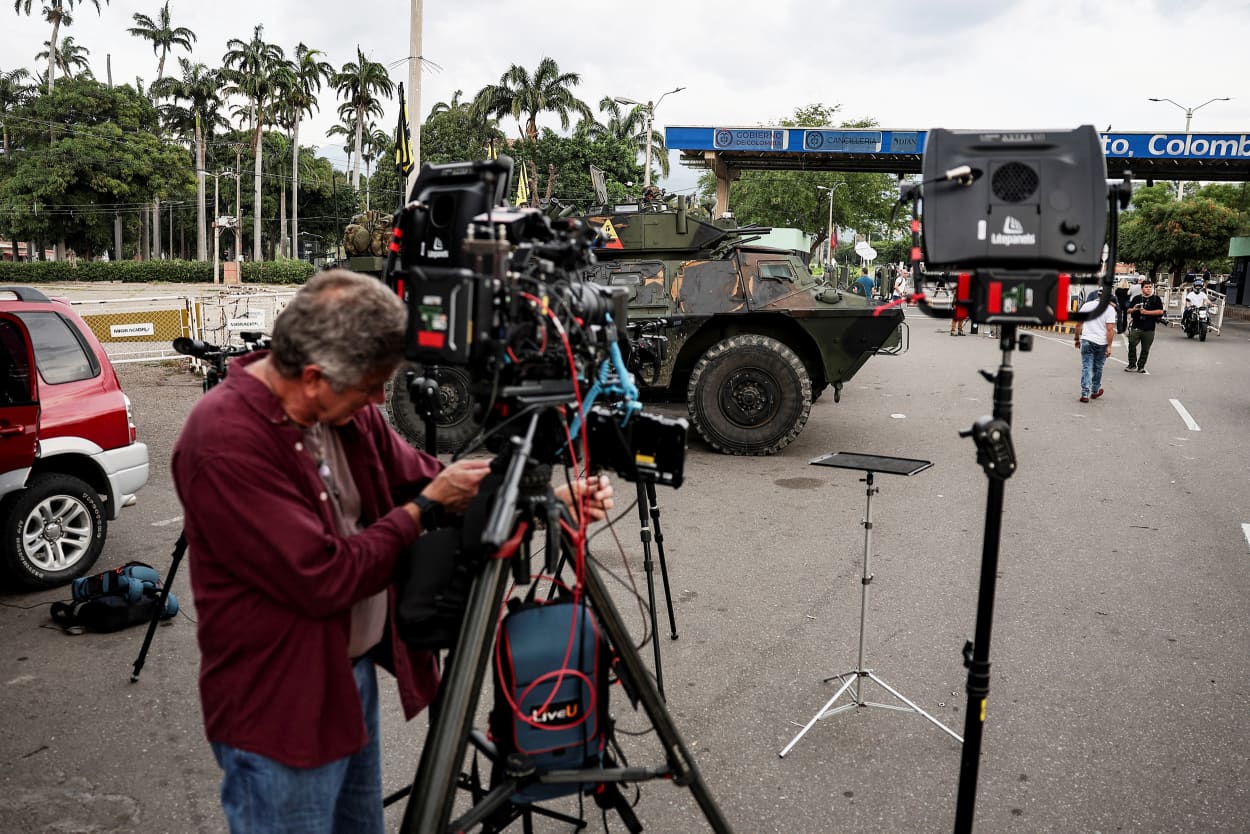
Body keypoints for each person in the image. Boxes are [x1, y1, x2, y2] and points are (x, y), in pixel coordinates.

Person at [171, 269, 614, 834]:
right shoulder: (226, 443)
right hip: (279, 709)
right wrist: (422, 511)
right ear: (314, 377)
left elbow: (426, 478)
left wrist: (542, 499)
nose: (380, 399)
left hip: (345, 681)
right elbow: (325, 576)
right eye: (372, 386)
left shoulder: (339, 408)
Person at [1074, 289, 1117, 402]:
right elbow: (1110, 330)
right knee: (1098, 367)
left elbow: (1078, 324)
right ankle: (1095, 391)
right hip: (1101, 342)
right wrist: (1109, 346)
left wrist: (1077, 339)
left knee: (1087, 366)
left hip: (1087, 340)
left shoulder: (1086, 306)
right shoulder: (1110, 309)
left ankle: (1084, 394)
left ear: (1098, 295)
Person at [1125, 278, 1165, 374]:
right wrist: (1134, 309)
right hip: (1136, 326)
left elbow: (1160, 311)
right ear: (1142, 288)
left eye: (1150, 287)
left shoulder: (1156, 299)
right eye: (1146, 287)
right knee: (1132, 344)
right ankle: (1132, 364)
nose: (1148, 289)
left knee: (1145, 349)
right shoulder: (1137, 298)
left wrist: (1147, 312)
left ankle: (1141, 366)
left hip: (1149, 327)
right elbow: (1128, 310)